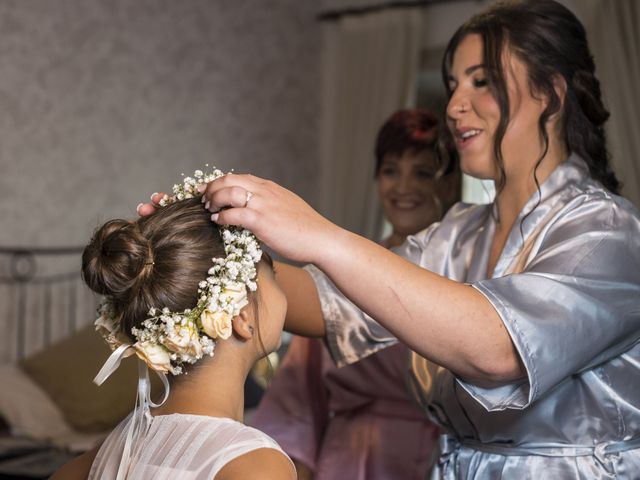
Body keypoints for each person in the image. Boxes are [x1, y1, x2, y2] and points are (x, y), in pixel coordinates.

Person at [196, 1, 640, 477]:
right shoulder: (457, 234)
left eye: (481, 81)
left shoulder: (609, 234)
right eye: (453, 85)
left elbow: (497, 349)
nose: (453, 107)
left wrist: (319, 235)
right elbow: (324, 303)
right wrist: (207, 247)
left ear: (549, 93)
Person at [251, 109, 459, 480]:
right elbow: (296, 401)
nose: (404, 187)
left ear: (448, 184)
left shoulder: (467, 281)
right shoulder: (341, 277)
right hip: (349, 461)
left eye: (423, 172)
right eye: (391, 170)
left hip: (439, 460)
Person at [52, 170, 296, 480]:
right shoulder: (255, 466)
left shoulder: (110, 450)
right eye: (271, 272)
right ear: (242, 316)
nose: (284, 287)